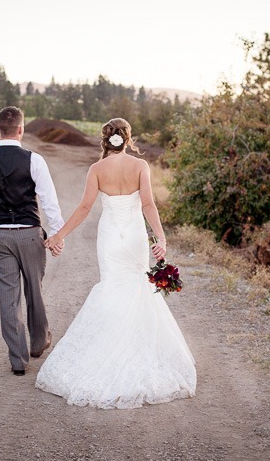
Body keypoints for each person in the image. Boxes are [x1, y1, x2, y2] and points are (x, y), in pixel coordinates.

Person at [35, 118, 196, 409]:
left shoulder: (97, 169)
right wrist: (160, 238)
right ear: (127, 138)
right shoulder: (140, 167)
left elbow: (85, 207)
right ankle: (134, 350)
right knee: (136, 286)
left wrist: (59, 234)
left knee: (111, 287)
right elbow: (148, 204)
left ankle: (108, 351)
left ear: (105, 139)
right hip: (134, 237)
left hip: (110, 237)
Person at [0, 106, 64, 376]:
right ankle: (38, 343)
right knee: (34, 290)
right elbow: (49, 201)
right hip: (29, 234)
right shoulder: (34, 160)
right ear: (21, 130)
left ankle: (18, 360)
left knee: (8, 299)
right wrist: (57, 233)